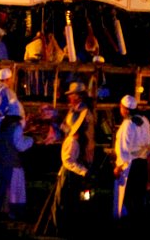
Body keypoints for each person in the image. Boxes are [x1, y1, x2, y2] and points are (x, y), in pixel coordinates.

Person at [50, 81, 95, 237]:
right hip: (76, 157)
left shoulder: (84, 113)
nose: (69, 98)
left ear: (78, 96)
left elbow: (78, 135)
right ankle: (70, 225)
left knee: (68, 198)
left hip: (78, 159)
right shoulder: (74, 111)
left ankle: (65, 227)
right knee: (73, 197)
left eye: (72, 95)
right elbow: (67, 129)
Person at [0, 100, 34, 219]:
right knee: (13, 189)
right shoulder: (16, 127)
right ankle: (12, 211)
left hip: (0, 161)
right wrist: (30, 140)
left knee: (0, 186)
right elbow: (20, 145)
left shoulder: (0, 124)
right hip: (11, 163)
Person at [113, 95, 150, 227]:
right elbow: (148, 143)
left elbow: (123, 149)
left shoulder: (127, 124)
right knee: (139, 198)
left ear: (125, 109)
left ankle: (130, 226)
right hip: (142, 163)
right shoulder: (145, 120)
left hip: (130, 165)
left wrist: (119, 167)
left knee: (128, 199)